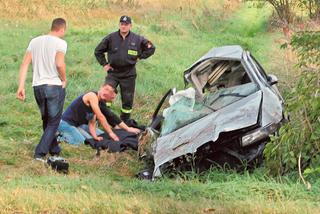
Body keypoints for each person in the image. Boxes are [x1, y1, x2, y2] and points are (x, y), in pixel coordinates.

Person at [17, 18, 67, 161]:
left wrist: (21, 86)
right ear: (62, 29)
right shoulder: (61, 43)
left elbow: (25, 64)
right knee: (53, 121)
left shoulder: (34, 41)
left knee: (46, 119)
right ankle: (39, 153)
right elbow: (59, 64)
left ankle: (54, 149)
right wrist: (63, 78)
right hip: (53, 86)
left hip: (37, 86)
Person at [94, 15, 156, 122]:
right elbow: (98, 51)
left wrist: (140, 57)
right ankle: (104, 118)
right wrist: (104, 64)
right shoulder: (111, 38)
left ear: (130, 26)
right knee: (106, 95)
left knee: (127, 100)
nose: (123, 26)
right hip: (113, 73)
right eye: (122, 24)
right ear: (119, 25)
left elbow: (151, 48)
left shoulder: (137, 39)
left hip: (129, 74)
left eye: (126, 24)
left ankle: (124, 122)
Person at [58, 83, 141, 146]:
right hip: (65, 123)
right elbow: (100, 116)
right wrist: (111, 133)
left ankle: (78, 133)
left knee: (98, 136)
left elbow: (92, 123)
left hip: (79, 125)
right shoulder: (92, 96)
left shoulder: (100, 103)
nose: (112, 100)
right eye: (112, 98)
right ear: (103, 89)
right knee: (82, 142)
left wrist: (95, 137)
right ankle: (59, 136)